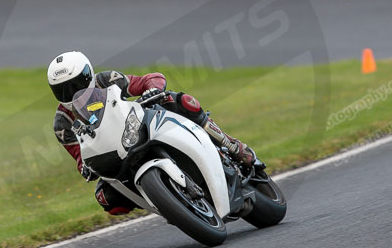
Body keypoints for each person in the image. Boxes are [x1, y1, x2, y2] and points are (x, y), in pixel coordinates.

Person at [47, 51, 260, 216]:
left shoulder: (106, 80)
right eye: (62, 90)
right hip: (113, 153)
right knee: (106, 198)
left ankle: (231, 145)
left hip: (135, 126)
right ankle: (164, 201)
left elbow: (148, 79)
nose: (71, 93)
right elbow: (79, 155)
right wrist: (85, 168)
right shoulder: (62, 123)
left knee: (180, 101)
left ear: (88, 75)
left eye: (76, 84)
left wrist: (153, 89)